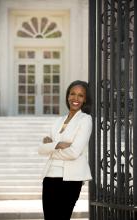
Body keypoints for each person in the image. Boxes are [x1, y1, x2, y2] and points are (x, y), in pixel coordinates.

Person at [38, 80, 92, 220]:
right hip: (50, 177)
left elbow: (74, 152)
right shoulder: (58, 121)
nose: (75, 98)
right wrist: (59, 144)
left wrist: (52, 147)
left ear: (85, 99)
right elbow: (41, 149)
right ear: (67, 96)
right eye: (72, 94)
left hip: (70, 179)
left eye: (80, 95)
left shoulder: (85, 119)